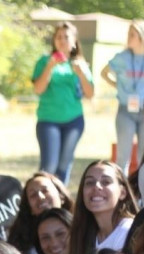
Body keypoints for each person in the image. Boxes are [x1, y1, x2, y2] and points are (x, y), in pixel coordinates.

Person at [32, 22, 94, 185]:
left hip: (74, 121)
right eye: (58, 36)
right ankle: (42, 200)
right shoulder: (44, 61)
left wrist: (81, 74)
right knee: (49, 166)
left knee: (63, 165)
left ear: (74, 41)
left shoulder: (80, 64)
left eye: (66, 37)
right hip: (48, 120)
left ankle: (60, 205)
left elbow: (90, 94)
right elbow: (38, 89)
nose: (61, 40)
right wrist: (50, 67)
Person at [64, 161, 138, 254]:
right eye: (89, 183)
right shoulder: (82, 236)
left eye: (106, 182)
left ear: (122, 192)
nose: (97, 187)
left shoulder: (130, 231)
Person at [101, 20, 144, 173]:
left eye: (132, 34)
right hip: (125, 111)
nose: (128, 38)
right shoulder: (121, 57)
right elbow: (104, 73)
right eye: (128, 34)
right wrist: (117, 85)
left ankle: (143, 192)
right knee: (123, 155)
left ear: (142, 37)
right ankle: (121, 191)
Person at [7, 171, 75, 254]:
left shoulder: (80, 229)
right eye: (33, 195)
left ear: (61, 196)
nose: (40, 197)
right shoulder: (20, 242)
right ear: (30, 208)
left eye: (45, 190)